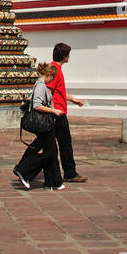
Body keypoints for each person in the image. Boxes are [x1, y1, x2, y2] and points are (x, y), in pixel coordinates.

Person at [13, 62, 65, 190]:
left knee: (51, 151)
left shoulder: (42, 86)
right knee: (51, 152)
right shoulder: (40, 86)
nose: (52, 79)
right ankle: (24, 169)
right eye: (52, 77)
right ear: (47, 75)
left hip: (47, 124)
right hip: (44, 124)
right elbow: (37, 105)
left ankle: (53, 182)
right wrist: (53, 111)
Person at [47, 42, 87, 183]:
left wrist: (73, 100)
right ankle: (70, 173)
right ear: (64, 56)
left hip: (57, 111)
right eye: (68, 54)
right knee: (65, 144)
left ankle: (24, 168)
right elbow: (48, 91)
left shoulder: (55, 68)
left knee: (44, 143)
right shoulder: (54, 69)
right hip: (57, 113)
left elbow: (59, 91)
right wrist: (51, 109)